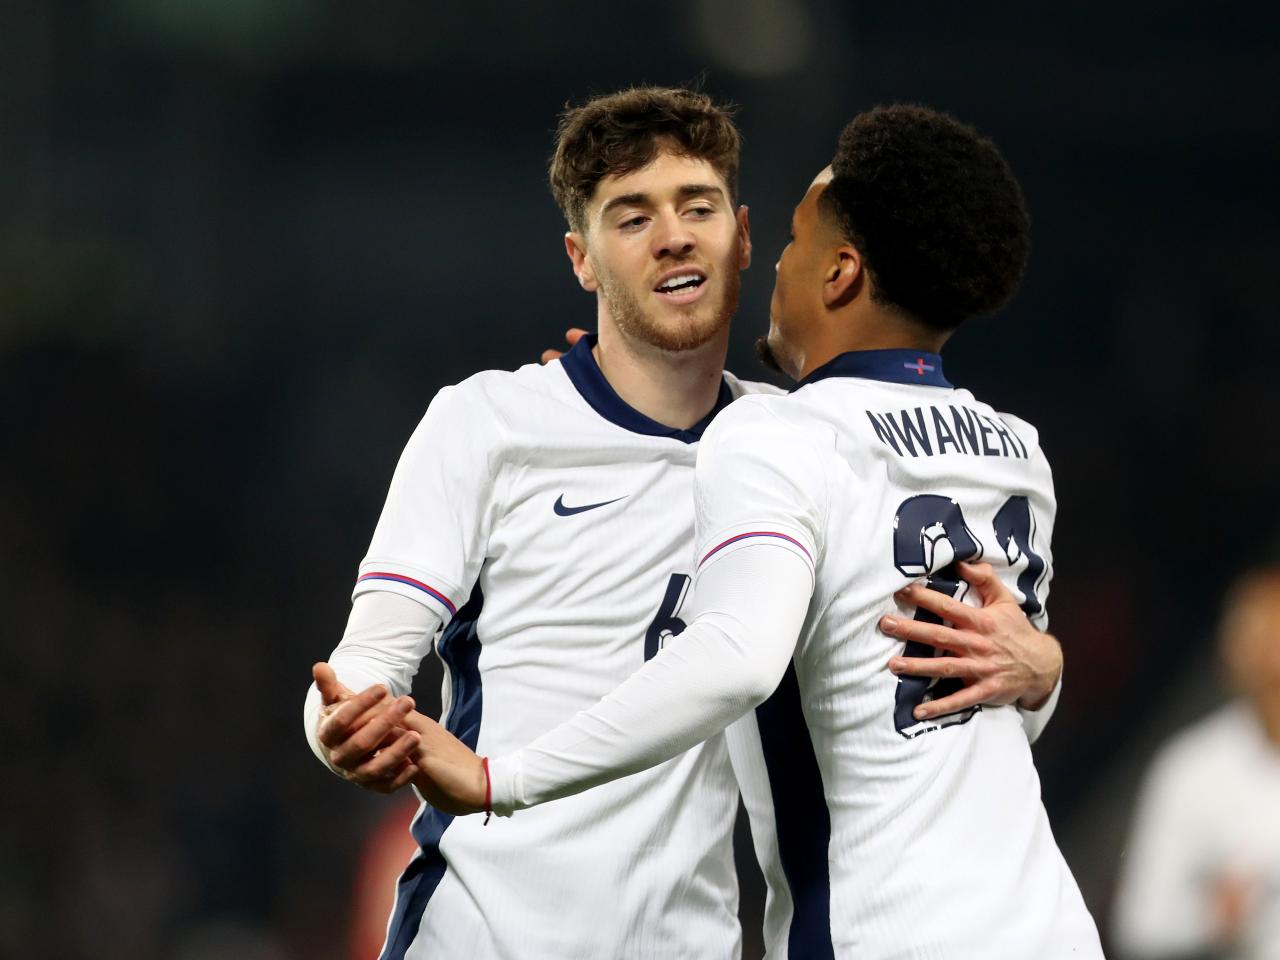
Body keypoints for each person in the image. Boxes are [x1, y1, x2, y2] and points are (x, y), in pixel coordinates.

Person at [304, 88, 1064, 960]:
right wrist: (341, 729)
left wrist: (1043, 667)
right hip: (482, 935)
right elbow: (365, 660)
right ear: (581, 260)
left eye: (696, 206)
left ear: (743, 238)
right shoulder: (490, 423)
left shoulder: (801, 451)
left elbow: (936, 684)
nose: (671, 234)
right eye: (630, 218)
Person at [1113, 567, 1280, 960]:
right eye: (1263, 645)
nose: (1274, 664)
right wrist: (1210, 917)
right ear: (1234, 656)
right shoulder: (1192, 769)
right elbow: (1139, 924)